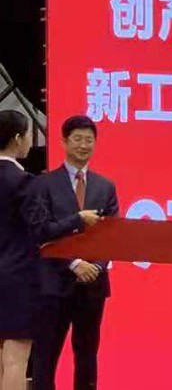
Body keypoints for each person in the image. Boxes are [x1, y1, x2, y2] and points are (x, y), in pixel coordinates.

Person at [25, 115, 118, 390]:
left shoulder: (105, 186)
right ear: (64, 142)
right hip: (53, 284)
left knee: (87, 355)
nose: (83, 145)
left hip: (93, 285)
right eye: (77, 139)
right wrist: (75, 263)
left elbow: (112, 235)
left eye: (89, 140)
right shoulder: (43, 184)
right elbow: (41, 231)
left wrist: (97, 266)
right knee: (46, 355)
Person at [0, 110, 37, 390]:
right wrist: (77, 219)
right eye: (28, 135)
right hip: (15, 278)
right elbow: (41, 229)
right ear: (17, 138)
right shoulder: (23, 181)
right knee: (15, 360)